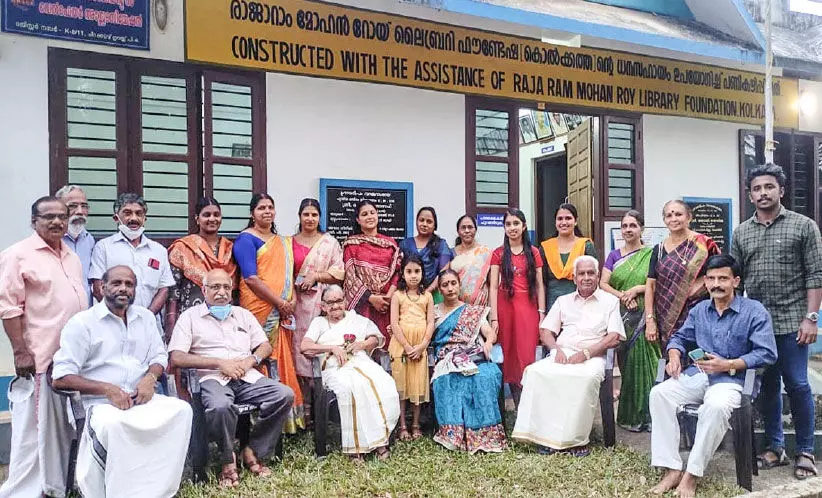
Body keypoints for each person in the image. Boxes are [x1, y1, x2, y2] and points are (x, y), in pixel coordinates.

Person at [51, 265, 192, 498]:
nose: (123, 289)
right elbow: (60, 378)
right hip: (99, 403)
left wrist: (150, 378)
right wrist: (107, 389)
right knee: (113, 426)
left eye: (129, 284)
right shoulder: (82, 323)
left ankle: (158, 488)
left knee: (182, 411)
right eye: (116, 283)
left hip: (140, 397)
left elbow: (159, 356)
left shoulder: (145, 318)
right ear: (102, 287)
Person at [649, 255, 777, 497]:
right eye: (711, 278)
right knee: (660, 394)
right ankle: (672, 468)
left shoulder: (754, 311)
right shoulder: (699, 311)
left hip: (733, 380)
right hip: (699, 375)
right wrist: (674, 356)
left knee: (715, 406)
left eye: (723, 278)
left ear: (736, 281)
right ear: (705, 281)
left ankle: (692, 474)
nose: (716, 284)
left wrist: (728, 364)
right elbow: (679, 338)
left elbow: (767, 353)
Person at [730, 163, 822, 479]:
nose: (763, 193)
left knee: (797, 384)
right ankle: (775, 447)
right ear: (750, 194)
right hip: (758, 327)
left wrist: (811, 319)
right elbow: (736, 281)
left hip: (794, 323)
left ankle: (806, 451)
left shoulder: (804, 226)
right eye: (757, 188)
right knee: (767, 388)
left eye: (769, 187)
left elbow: (815, 274)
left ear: (781, 190)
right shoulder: (741, 232)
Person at [168, 269, 295, 488]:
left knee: (284, 395)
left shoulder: (242, 314)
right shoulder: (189, 317)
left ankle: (253, 450)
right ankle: (228, 460)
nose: (221, 292)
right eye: (215, 287)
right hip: (213, 378)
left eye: (226, 287)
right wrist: (218, 363)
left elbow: (264, 345)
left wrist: (249, 361)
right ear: (204, 290)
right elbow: (176, 357)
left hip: (247, 376)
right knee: (220, 407)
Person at [0, 196, 88, 498]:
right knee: (33, 432)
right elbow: (9, 308)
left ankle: (56, 485)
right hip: (39, 358)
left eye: (62, 216)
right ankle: (21, 492)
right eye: (48, 217)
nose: (57, 222)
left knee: (62, 430)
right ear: (33, 221)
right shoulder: (18, 255)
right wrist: (20, 351)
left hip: (71, 359)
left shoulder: (71, 256)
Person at [512, 256, 624, 457]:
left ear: (598, 276)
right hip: (563, 352)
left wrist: (586, 353)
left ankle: (574, 440)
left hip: (593, 356)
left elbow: (614, 336)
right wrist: (555, 349)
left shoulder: (610, 301)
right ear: (574, 278)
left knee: (584, 378)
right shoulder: (563, 301)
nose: (586, 277)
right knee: (535, 372)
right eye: (582, 273)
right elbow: (545, 330)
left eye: (591, 273)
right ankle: (540, 435)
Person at [300, 285, 399, 462]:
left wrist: (362, 344)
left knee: (384, 383)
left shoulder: (356, 320)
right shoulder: (319, 323)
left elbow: (376, 338)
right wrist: (332, 348)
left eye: (339, 301)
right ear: (323, 306)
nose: (336, 306)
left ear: (345, 301)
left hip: (361, 362)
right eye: (330, 302)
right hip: (334, 368)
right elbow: (305, 347)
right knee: (352, 388)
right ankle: (356, 448)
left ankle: (379, 441)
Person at [232, 193, 304, 433]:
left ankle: (285, 419)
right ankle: (258, 418)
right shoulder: (245, 239)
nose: (267, 212)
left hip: (282, 307)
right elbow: (251, 278)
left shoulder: (283, 241)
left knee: (281, 358)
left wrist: (291, 299)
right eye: (261, 208)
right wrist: (279, 303)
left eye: (270, 207)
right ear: (252, 213)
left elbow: (288, 276)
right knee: (259, 356)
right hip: (258, 308)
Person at [431, 269, 506, 453]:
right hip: (448, 358)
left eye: (453, 283)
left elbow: (489, 333)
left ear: (459, 285)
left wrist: (488, 343)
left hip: (474, 355)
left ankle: (485, 435)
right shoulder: (433, 312)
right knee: (450, 379)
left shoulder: (472, 311)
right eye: (445, 285)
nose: (450, 288)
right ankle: (453, 433)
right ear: (440, 290)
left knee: (486, 376)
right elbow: (425, 335)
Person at [599, 209, 658, 432]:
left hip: (646, 313)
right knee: (627, 365)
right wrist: (624, 295)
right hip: (622, 314)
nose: (628, 230)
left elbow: (657, 282)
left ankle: (651, 416)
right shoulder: (614, 255)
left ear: (641, 228)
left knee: (647, 364)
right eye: (624, 226)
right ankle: (631, 416)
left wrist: (637, 289)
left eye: (633, 225)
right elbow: (603, 284)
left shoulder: (652, 253)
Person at [291, 198, 344, 420]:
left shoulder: (329, 243)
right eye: (306, 214)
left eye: (314, 214)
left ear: (319, 217)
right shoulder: (289, 242)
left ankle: (321, 409)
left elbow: (339, 272)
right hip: (296, 305)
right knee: (298, 352)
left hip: (321, 304)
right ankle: (304, 411)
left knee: (320, 347)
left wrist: (316, 276)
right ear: (300, 216)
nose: (310, 218)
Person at [489, 208, 545, 405]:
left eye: (516, 223)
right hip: (505, 308)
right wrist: (494, 317)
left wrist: (541, 313)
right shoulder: (498, 253)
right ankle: (516, 403)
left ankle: (529, 405)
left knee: (526, 354)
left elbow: (539, 285)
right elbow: (493, 286)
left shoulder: (534, 253)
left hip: (528, 309)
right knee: (509, 354)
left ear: (524, 226)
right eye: (508, 224)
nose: (512, 228)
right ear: (504, 228)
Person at [645, 200, 719, 350]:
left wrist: (697, 289)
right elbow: (651, 285)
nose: (673, 219)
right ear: (664, 220)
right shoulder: (658, 250)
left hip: (698, 311)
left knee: (698, 357)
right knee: (671, 358)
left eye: (678, 214)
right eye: (668, 215)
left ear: (689, 217)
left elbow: (720, 274)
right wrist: (650, 320)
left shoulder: (704, 245)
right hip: (665, 315)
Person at [89, 192, 175, 316]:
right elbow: (98, 288)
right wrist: (119, 316)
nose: (134, 218)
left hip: (149, 325)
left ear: (144, 218)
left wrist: (146, 318)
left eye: (139, 213)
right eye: (127, 213)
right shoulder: (103, 247)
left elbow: (164, 289)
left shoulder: (158, 250)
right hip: (112, 323)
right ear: (116, 218)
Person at [166, 197, 238, 340]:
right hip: (191, 318)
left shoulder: (230, 249)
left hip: (224, 317)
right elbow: (173, 290)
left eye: (216, 215)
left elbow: (236, 290)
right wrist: (171, 320)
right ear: (197, 218)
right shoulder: (183, 248)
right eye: (206, 215)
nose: (212, 219)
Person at [389, 253, 435, 441]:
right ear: (403, 274)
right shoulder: (397, 296)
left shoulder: (428, 296)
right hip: (401, 346)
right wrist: (408, 347)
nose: (413, 275)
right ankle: (402, 425)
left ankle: (415, 424)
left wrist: (422, 345)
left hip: (420, 347)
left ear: (422, 273)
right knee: (401, 385)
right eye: (409, 271)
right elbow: (394, 323)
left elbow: (430, 322)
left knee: (417, 384)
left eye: (417, 271)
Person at [342, 200, 401, 343]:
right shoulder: (351, 245)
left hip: (387, 305)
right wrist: (371, 298)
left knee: (388, 346)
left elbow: (397, 273)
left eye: (372, 213)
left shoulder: (390, 244)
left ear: (378, 215)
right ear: (358, 220)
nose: (369, 216)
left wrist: (387, 298)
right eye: (364, 214)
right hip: (363, 305)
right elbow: (350, 277)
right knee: (363, 344)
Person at [539, 203, 597, 310]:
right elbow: (541, 282)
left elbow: (595, 279)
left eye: (568, 218)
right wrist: (542, 312)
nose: (564, 222)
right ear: (555, 222)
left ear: (575, 221)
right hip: (552, 306)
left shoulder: (585, 245)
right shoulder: (545, 247)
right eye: (560, 219)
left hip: (581, 305)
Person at [399, 206, 452, 303]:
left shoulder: (441, 245)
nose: (424, 224)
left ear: (435, 225)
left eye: (429, 221)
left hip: (434, 295)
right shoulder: (405, 244)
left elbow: (443, 272)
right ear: (416, 221)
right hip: (409, 295)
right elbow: (400, 270)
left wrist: (427, 292)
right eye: (421, 220)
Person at [56, 185, 96, 305]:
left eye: (84, 206)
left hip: (85, 314)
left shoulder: (89, 240)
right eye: (73, 206)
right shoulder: (51, 240)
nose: (80, 211)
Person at [449, 214, 492, 306]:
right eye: (463, 228)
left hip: (480, 308)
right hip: (455, 306)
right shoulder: (450, 253)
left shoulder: (485, 253)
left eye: (470, 227)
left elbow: (491, 283)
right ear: (458, 231)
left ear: (475, 230)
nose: (467, 231)